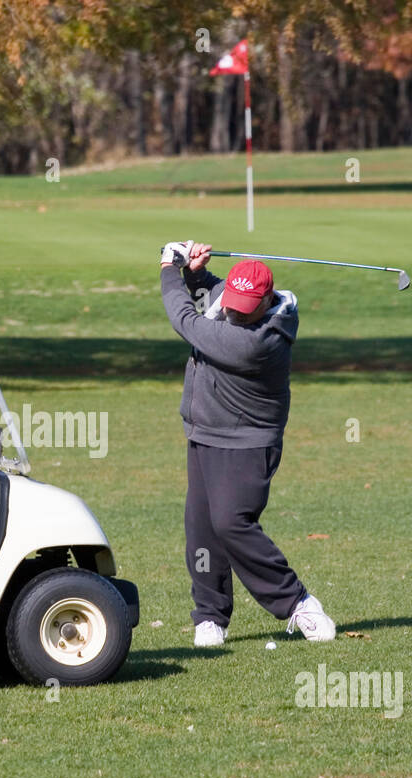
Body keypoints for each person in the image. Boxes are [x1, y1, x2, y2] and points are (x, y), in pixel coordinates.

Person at [159, 241, 336, 647]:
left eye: (243, 305)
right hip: (205, 431)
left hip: (246, 442)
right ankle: (210, 617)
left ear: (266, 301)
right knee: (201, 528)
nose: (232, 310)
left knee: (231, 523)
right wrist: (196, 274)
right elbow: (212, 294)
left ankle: (298, 603)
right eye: (232, 300)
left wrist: (170, 268)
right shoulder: (237, 303)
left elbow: (185, 318)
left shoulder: (258, 342)